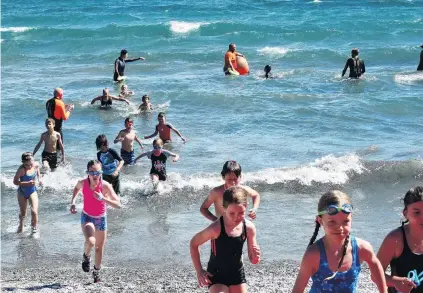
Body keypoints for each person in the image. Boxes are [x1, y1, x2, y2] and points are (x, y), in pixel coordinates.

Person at [292, 190, 388, 293]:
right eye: (332, 222)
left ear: (351, 218)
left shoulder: (362, 248)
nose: (340, 228)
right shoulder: (314, 254)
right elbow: (298, 289)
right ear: (320, 220)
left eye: (345, 221)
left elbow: (376, 265)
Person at [190, 186, 261, 292]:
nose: (237, 217)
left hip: (237, 274)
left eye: (241, 212)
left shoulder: (249, 228)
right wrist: (199, 271)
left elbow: (253, 259)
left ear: (246, 206)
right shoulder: (216, 228)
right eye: (232, 213)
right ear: (224, 208)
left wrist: (256, 257)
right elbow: (194, 244)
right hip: (216, 275)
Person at [70, 160, 121, 283]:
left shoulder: (105, 186)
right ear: (87, 172)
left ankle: (96, 272)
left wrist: (103, 198)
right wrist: (73, 202)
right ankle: (86, 256)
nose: (95, 175)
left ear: (101, 172)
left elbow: (118, 205)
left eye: (97, 172)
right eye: (92, 172)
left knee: (99, 248)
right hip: (87, 216)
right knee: (91, 241)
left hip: (101, 218)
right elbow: (76, 189)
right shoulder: (82, 183)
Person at [376, 186, 423, 293]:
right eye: (417, 212)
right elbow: (375, 274)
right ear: (405, 213)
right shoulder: (395, 239)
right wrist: (395, 282)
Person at [13, 152, 42, 233]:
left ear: (33, 160)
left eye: (31, 164)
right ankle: (21, 224)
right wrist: (27, 183)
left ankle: (34, 229)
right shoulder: (21, 170)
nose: (29, 166)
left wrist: (39, 179)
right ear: (23, 163)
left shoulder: (35, 164)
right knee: (23, 214)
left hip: (32, 191)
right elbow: (15, 181)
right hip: (22, 192)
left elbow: (37, 170)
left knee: (34, 212)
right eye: (27, 165)